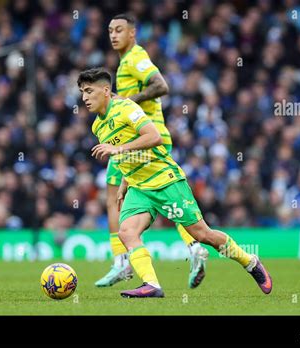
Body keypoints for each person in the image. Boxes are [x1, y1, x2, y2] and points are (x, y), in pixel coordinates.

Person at [78, 68, 272, 298]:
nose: (84, 98)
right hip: (139, 188)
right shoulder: (97, 126)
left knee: (203, 235)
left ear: (106, 90)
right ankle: (151, 285)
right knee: (127, 232)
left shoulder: (126, 109)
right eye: (82, 92)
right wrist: (124, 183)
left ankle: (249, 261)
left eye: (89, 91)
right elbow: (124, 159)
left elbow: (154, 137)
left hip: (165, 181)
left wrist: (117, 148)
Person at [94, 13, 208, 288]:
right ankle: (194, 247)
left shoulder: (135, 58)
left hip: (143, 137)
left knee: (113, 198)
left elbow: (161, 86)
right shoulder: (125, 61)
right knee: (170, 201)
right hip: (148, 137)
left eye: (119, 30)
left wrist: (125, 101)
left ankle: (122, 262)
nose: (113, 35)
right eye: (110, 30)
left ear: (132, 33)